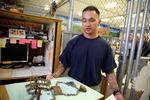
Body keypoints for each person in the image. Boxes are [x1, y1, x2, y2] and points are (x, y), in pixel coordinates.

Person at [46, 5, 124, 100]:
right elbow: (63, 64)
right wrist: (53, 76)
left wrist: (117, 92)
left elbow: (109, 72)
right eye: (84, 20)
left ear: (99, 22)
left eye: (91, 20)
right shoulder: (73, 42)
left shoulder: (104, 46)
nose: (87, 24)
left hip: (93, 89)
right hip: (71, 85)